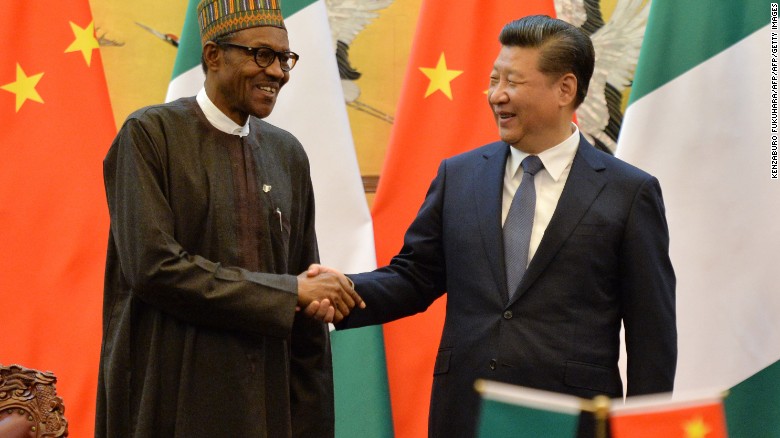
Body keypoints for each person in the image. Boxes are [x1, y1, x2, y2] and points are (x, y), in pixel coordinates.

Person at [320, 14, 677, 438]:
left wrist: (643, 431)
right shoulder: (460, 176)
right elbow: (414, 277)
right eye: (494, 79)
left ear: (565, 89)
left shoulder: (628, 192)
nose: (497, 95)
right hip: (465, 412)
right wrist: (341, 291)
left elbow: (651, 335)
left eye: (513, 82)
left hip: (571, 420)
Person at [94, 0, 362, 436]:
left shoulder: (286, 153)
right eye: (262, 54)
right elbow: (154, 268)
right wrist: (290, 290)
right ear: (214, 56)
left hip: (268, 395)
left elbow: (304, 293)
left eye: (284, 58)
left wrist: (310, 415)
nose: (277, 71)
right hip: (174, 389)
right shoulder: (149, 135)